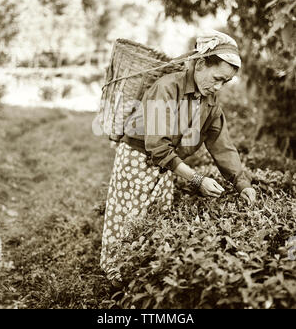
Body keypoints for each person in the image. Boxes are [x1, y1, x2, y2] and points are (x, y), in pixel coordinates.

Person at [100, 30, 256, 286]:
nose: (217, 87)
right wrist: (196, 180)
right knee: (128, 220)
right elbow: (157, 146)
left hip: (165, 166)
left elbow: (221, 145)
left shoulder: (209, 101)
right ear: (202, 63)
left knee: (154, 220)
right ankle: (115, 284)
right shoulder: (167, 87)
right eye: (217, 78)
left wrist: (243, 184)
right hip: (137, 160)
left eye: (224, 83)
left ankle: (140, 278)